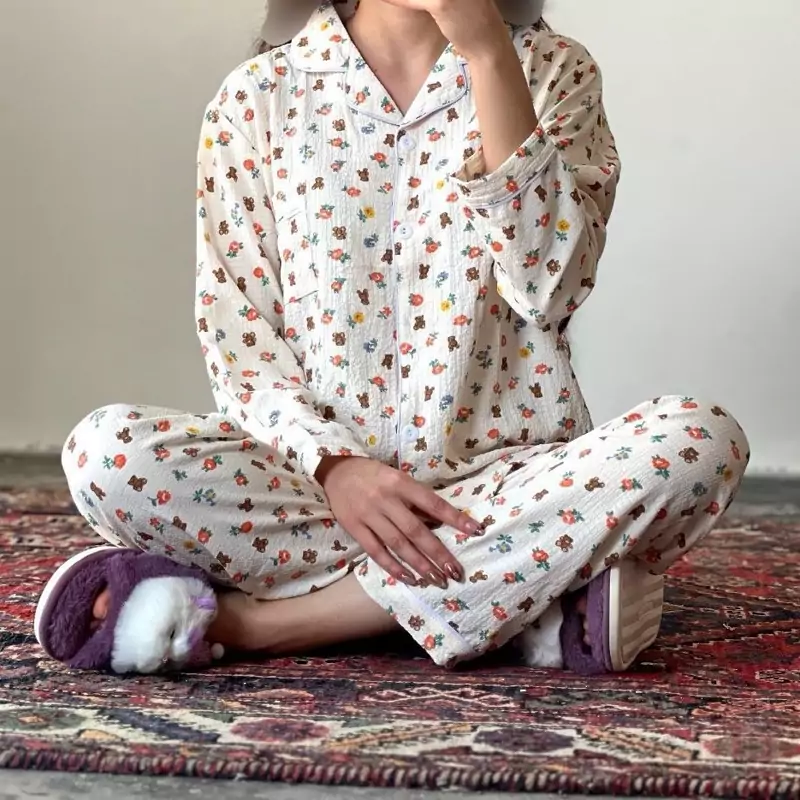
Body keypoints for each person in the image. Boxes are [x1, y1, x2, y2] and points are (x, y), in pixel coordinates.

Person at [39, 0, 749, 674]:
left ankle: (261, 622)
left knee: (696, 442)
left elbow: (550, 288)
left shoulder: (555, 71)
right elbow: (243, 346)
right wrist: (335, 467)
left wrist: (488, 54)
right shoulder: (256, 96)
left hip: (505, 479)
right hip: (313, 491)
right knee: (107, 454)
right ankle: (530, 590)